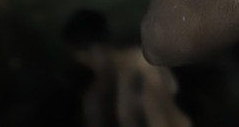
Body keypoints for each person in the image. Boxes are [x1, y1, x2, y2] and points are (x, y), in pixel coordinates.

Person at [62, 8, 192, 127]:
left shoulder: (141, 65)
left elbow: (163, 120)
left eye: (86, 53)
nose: (85, 61)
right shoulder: (96, 94)